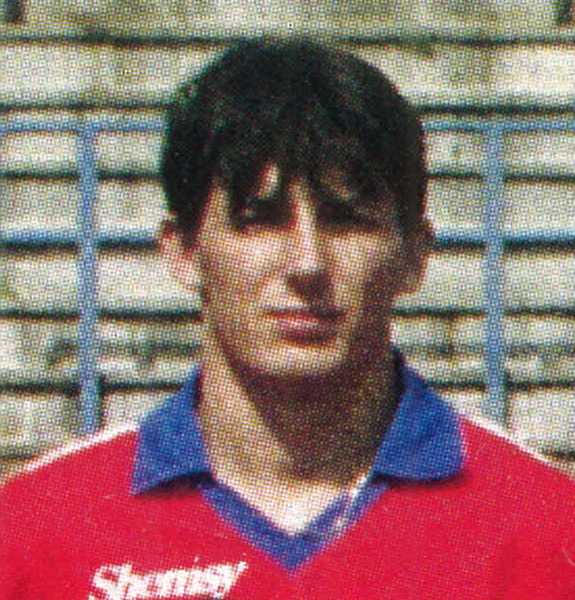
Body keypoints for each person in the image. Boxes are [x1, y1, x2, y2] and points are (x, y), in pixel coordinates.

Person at [1, 38, 575, 600]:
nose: (307, 263)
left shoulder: (545, 528)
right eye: (260, 220)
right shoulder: (35, 532)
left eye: (347, 220)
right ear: (184, 251)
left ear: (413, 256)